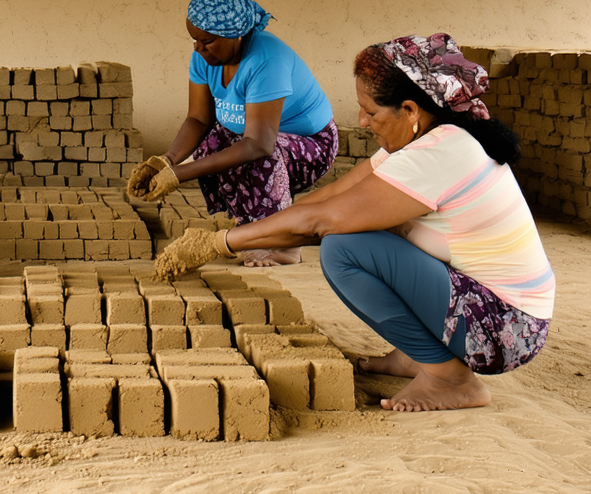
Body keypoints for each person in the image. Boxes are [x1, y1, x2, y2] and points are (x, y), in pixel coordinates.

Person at [154, 34, 554, 412]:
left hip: (508, 327)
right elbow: (328, 198)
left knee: (345, 248)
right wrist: (249, 233)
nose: (362, 121)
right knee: (358, 227)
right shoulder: (426, 140)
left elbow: (321, 222)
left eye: (371, 111)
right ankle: (417, 355)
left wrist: (220, 243)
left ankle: (451, 379)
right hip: (488, 304)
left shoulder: (439, 155)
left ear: (411, 111)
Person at [128, 0, 337, 266]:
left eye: (208, 41)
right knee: (211, 146)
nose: (198, 48)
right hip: (255, 139)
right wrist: (164, 162)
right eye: (194, 40)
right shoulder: (204, 58)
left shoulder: (267, 60)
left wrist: (179, 174)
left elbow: (258, 145)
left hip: (311, 146)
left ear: (237, 35)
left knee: (258, 157)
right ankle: (250, 226)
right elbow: (198, 118)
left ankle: (283, 242)